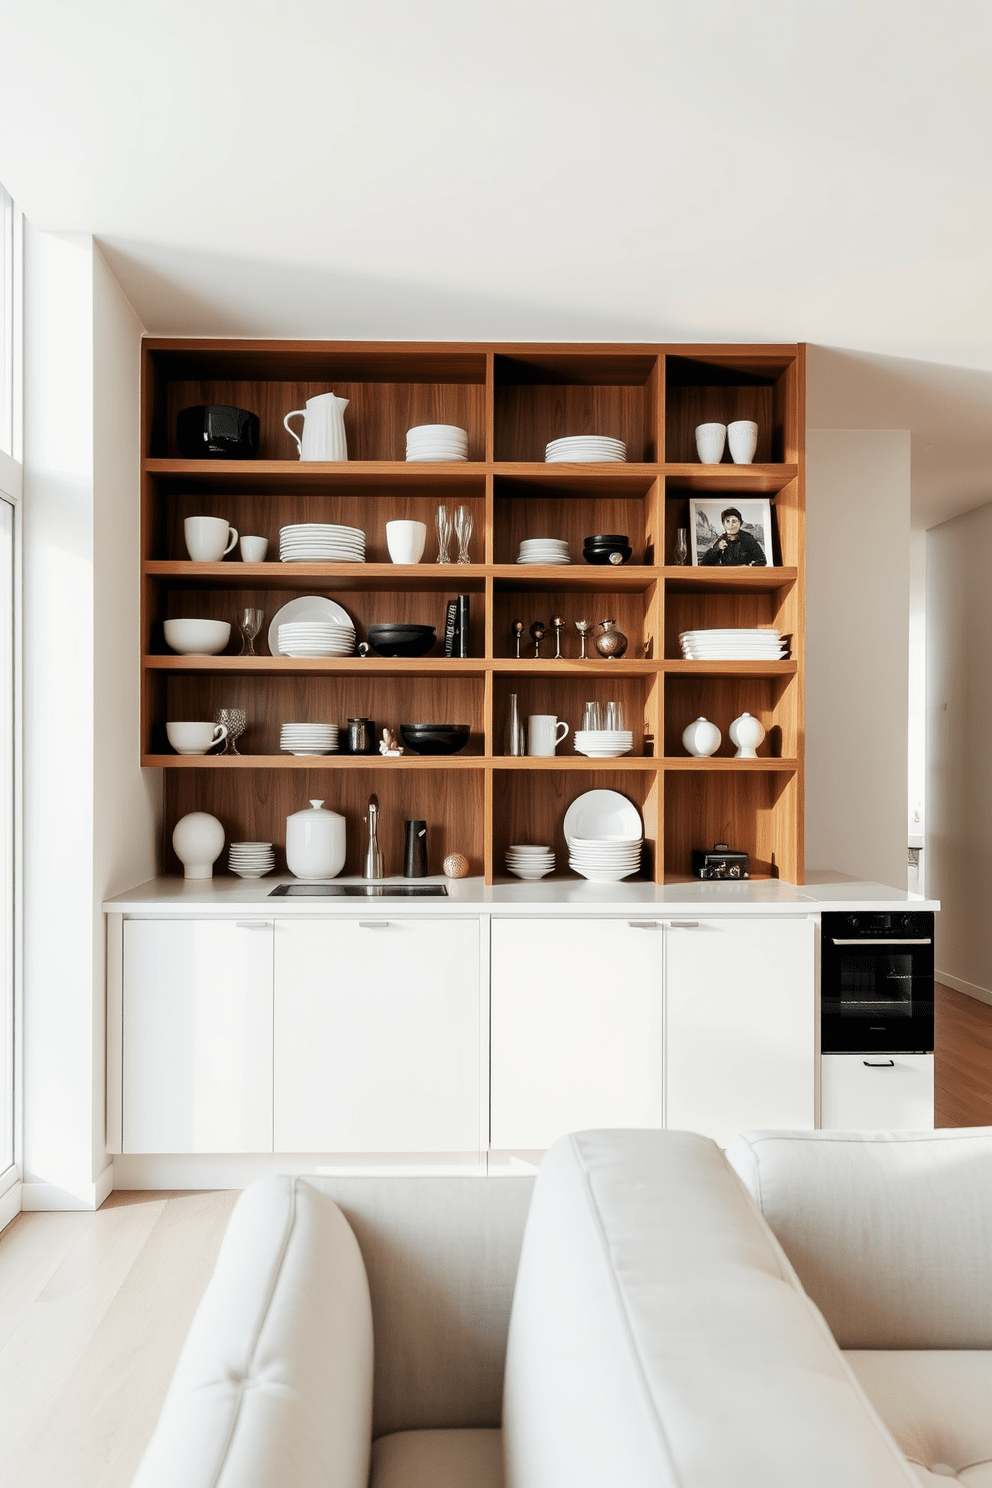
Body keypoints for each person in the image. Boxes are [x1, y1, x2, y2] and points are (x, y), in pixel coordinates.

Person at [699, 506, 767, 566]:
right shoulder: (722, 540)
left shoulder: (748, 539)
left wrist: (748, 567)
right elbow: (704, 563)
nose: (731, 525)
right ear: (723, 524)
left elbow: (762, 561)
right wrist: (717, 549)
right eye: (727, 521)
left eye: (734, 521)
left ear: (740, 523)